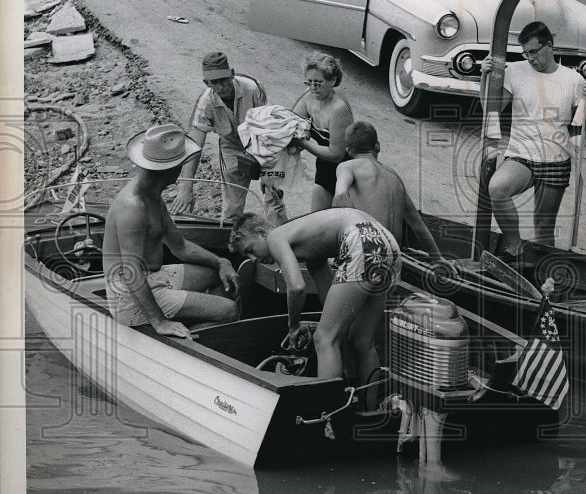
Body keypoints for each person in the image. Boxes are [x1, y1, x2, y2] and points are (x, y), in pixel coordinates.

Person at [228, 208, 401, 386]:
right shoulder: (310, 248)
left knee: (324, 340)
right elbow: (330, 305)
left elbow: (296, 287)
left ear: (261, 232)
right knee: (362, 341)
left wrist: (293, 325)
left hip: (361, 239)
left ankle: (327, 411)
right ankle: (369, 410)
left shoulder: (275, 237)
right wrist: (317, 324)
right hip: (387, 243)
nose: (253, 259)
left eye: (250, 249)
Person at [103, 124, 240, 338]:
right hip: (128, 296)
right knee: (230, 310)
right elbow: (131, 273)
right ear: (169, 169)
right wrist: (159, 322)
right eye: (181, 164)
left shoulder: (152, 196)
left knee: (221, 276)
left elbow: (180, 246)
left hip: (156, 276)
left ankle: (195, 324)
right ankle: (189, 345)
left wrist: (220, 261)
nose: (182, 169)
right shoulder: (133, 207)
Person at [481, 20, 586, 254]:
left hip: (556, 159)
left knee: (544, 228)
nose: (530, 58)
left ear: (549, 46)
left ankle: (544, 281)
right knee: (497, 188)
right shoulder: (514, 72)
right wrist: (484, 78)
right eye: (526, 53)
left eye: (534, 51)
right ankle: (514, 245)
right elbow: (490, 111)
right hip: (521, 156)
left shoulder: (573, 80)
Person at [169, 51, 286, 227]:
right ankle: (233, 245)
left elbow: (269, 130)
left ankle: (280, 239)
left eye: (224, 80)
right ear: (207, 83)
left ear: (231, 74)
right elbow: (194, 148)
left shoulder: (252, 89)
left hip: (262, 140)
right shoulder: (205, 103)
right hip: (232, 145)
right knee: (232, 207)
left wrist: (267, 172)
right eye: (215, 83)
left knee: (274, 194)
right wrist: (186, 187)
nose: (221, 86)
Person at [334, 121, 457, 274]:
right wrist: (437, 259)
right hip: (393, 259)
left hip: (367, 252)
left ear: (349, 150)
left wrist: (347, 242)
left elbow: (340, 194)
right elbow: (417, 224)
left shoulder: (347, 167)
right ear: (377, 146)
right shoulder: (395, 177)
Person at [291, 53, 354, 212]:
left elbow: (336, 154)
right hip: (324, 167)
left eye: (318, 83)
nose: (312, 88)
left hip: (346, 172)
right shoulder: (310, 96)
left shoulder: (339, 109)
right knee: (315, 219)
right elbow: (292, 122)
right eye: (309, 82)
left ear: (332, 81)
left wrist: (303, 143)